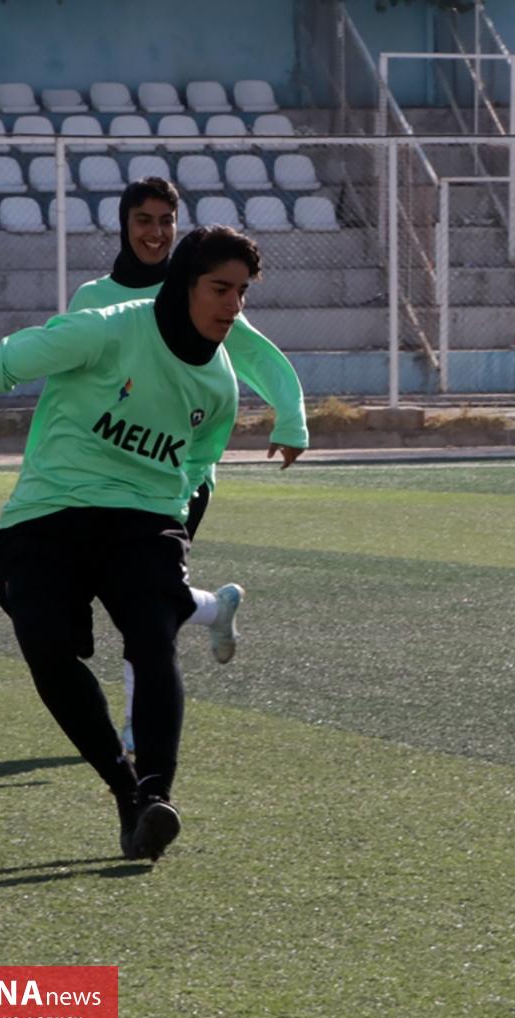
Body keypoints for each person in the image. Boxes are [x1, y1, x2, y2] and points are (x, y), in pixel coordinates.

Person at [0, 227, 266, 863]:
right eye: (221, 289)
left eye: (243, 292)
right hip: (48, 514)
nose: (233, 306)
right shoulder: (105, 330)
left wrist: (176, 543)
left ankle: (156, 794)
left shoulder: (219, 385)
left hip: (144, 522)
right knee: (48, 652)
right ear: (184, 284)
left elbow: (195, 472)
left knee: (153, 637)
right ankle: (127, 794)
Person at [71, 177, 310, 758]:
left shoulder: (199, 290)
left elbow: (256, 354)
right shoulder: (93, 299)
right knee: (131, 593)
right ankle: (214, 608)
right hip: (101, 479)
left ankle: (138, 724)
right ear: (124, 225)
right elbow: (68, 385)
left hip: (179, 478)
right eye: (143, 220)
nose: (155, 233)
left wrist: (291, 420)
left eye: (166, 221)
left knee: (144, 610)